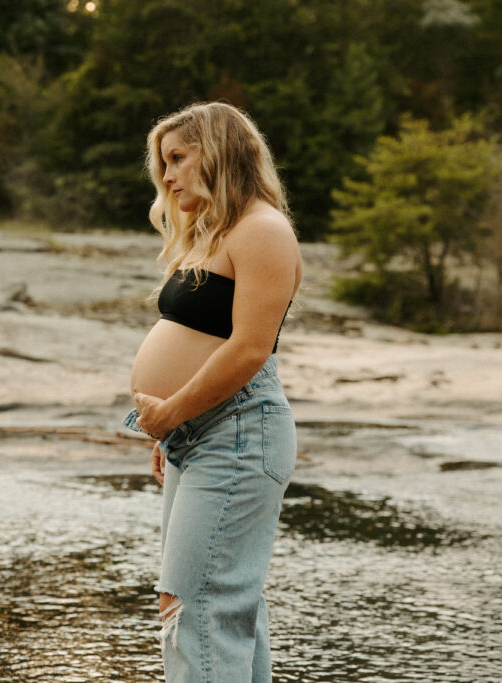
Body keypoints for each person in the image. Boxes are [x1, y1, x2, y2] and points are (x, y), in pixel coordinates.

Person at [123, 101, 302, 682]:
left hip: (240, 429)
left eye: (178, 159)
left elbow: (251, 349)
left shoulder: (263, 230)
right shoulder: (217, 234)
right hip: (202, 431)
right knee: (220, 609)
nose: (168, 176)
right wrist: (176, 425)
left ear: (220, 151)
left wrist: (175, 407)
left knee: (196, 606)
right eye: (163, 165)